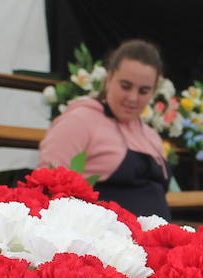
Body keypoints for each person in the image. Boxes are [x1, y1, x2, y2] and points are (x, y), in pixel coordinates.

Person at [38, 39, 171, 220]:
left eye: (143, 91)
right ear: (109, 79)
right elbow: (46, 186)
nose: (132, 98)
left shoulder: (151, 136)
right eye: (125, 86)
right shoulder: (80, 121)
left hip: (156, 239)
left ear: (153, 92)